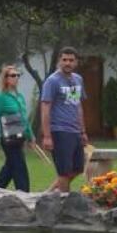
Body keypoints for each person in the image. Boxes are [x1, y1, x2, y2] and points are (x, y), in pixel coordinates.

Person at [41, 47, 89, 193]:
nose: (68, 63)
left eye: (71, 60)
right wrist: (47, 136)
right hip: (59, 131)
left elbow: (77, 105)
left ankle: (50, 192)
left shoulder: (77, 79)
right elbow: (45, 108)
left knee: (78, 168)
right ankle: (64, 200)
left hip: (75, 131)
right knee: (64, 171)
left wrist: (83, 131)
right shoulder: (52, 81)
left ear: (76, 62)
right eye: (65, 60)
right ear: (59, 61)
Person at [0, 65, 33, 192]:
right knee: (19, 167)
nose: (16, 78)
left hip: (19, 137)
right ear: (5, 78)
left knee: (10, 167)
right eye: (13, 75)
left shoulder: (19, 96)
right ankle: (24, 194)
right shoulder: (1, 97)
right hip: (8, 139)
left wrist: (31, 136)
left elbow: (24, 119)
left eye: (18, 75)